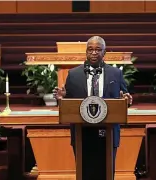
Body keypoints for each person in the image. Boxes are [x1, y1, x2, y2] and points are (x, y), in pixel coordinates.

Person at [53, 36, 132, 180]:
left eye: (98, 49)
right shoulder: (74, 74)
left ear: (104, 52)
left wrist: (127, 100)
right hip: (82, 134)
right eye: (90, 49)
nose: (94, 53)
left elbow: (123, 97)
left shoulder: (116, 73)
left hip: (108, 134)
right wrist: (62, 99)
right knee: (85, 173)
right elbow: (70, 105)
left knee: (107, 173)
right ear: (86, 52)